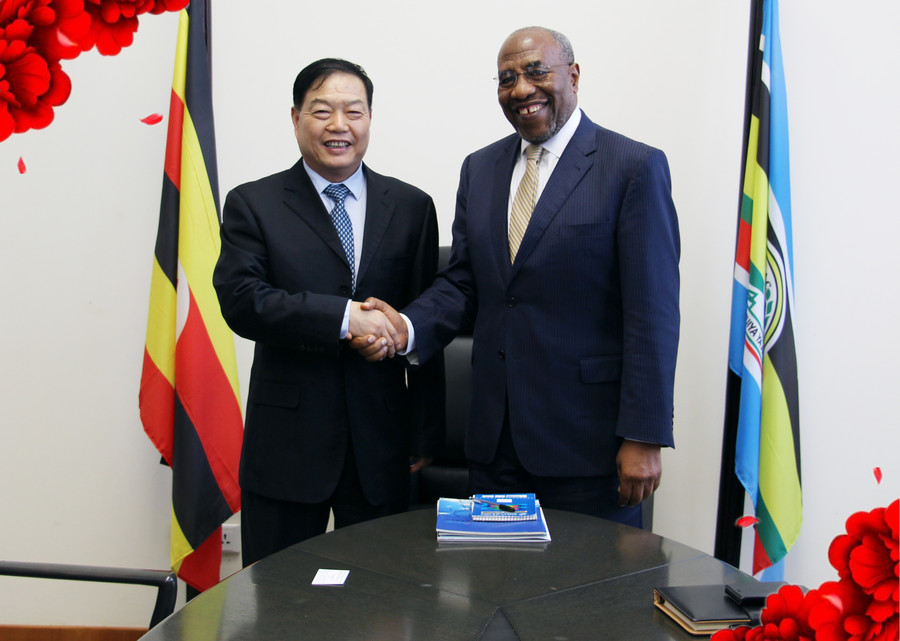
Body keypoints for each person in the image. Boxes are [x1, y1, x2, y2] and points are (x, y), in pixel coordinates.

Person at [353, 27, 679, 527]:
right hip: (495, 446)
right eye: (507, 79)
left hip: (588, 446)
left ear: (573, 75)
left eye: (536, 71)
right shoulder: (480, 168)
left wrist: (644, 435)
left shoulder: (632, 166)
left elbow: (652, 311)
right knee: (496, 574)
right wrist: (406, 327)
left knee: (588, 579)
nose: (522, 89)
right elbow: (463, 282)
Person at [213, 58, 444, 566]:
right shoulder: (253, 203)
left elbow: (425, 320)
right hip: (287, 446)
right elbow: (243, 300)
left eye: (353, 112)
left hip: (382, 442)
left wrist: (426, 431)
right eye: (322, 111)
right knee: (279, 595)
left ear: (369, 118)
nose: (339, 125)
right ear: (296, 117)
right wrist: (346, 318)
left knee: (384, 592)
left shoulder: (411, 206)